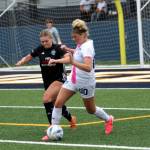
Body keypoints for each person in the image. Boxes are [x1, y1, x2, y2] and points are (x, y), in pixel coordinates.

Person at [48, 19, 114, 137]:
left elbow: (88, 67)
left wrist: (72, 62)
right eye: (73, 37)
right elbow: (78, 54)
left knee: (91, 110)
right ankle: (53, 130)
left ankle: (108, 119)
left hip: (86, 82)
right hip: (73, 79)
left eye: (75, 37)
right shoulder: (81, 44)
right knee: (58, 103)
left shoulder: (87, 47)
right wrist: (68, 49)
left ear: (83, 35)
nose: (74, 39)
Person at [16, 29, 76, 141]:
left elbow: (68, 58)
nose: (44, 43)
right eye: (42, 41)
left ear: (51, 39)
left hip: (60, 79)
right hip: (47, 82)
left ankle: (52, 127)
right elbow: (29, 56)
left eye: (46, 41)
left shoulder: (58, 48)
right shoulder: (40, 49)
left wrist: (57, 61)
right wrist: (21, 61)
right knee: (55, 103)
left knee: (46, 98)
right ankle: (71, 118)